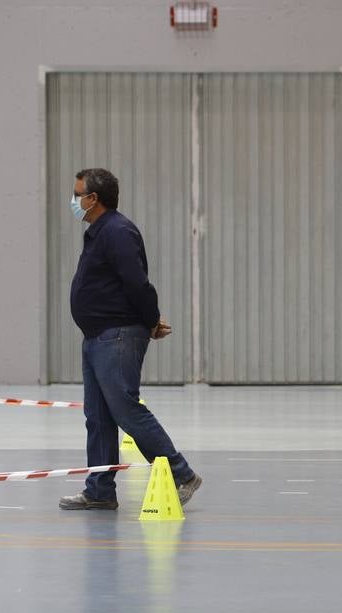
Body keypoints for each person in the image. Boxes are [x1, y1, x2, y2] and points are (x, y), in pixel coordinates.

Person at [58, 167, 201, 511]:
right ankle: (100, 490)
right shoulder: (97, 231)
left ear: (94, 199)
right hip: (96, 336)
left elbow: (137, 282)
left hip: (117, 335)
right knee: (98, 416)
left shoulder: (118, 231)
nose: (74, 200)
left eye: (78, 194)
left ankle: (181, 473)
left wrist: (150, 320)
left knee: (125, 410)